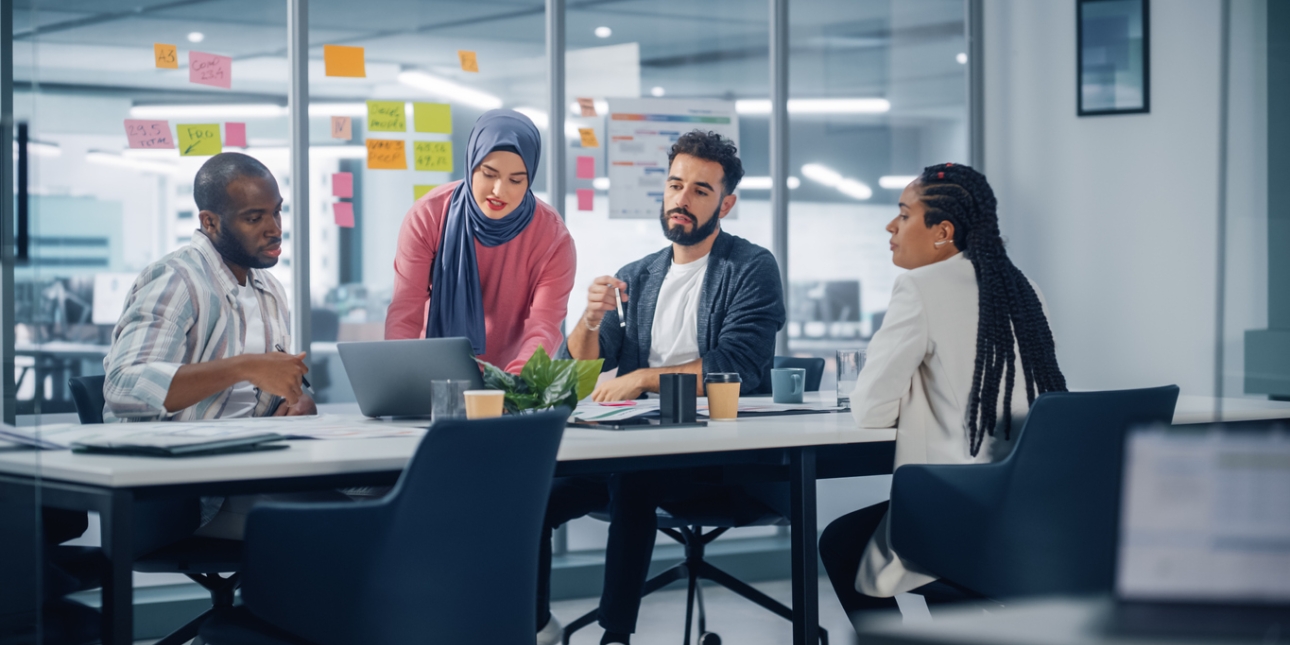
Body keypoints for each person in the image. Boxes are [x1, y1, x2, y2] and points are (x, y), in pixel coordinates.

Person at [538, 131, 786, 645]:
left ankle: (615, 635)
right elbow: (579, 373)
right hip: (637, 444)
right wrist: (588, 319)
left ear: (726, 202)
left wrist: (643, 377)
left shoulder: (750, 268)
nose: (682, 199)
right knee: (532, 496)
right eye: (676, 186)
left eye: (700, 190)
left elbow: (736, 367)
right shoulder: (640, 275)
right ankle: (537, 624)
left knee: (634, 479)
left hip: (721, 457)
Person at [818, 163, 1067, 619]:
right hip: (1027, 507)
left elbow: (871, 410)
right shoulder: (1022, 288)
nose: (890, 226)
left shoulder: (918, 287)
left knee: (839, 541)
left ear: (942, 231)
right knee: (852, 539)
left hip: (956, 510)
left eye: (904, 214)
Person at [102, 151, 317, 546]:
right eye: (255, 218)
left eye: (277, 213)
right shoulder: (176, 279)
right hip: (182, 491)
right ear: (210, 222)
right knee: (332, 523)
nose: (274, 228)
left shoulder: (269, 290)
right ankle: (270, 609)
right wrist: (243, 367)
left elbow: (266, 387)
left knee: (382, 496)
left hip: (252, 468)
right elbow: (124, 387)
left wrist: (298, 401)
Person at [385, 109, 576, 373]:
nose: (499, 191)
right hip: (431, 373)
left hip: (510, 378)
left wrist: (512, 387)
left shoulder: (552, 239)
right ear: (471, 165)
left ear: (529, 179)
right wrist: (402, 378)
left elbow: (544, 327)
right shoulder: (428, 216)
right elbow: (405, 315)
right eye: (489, 174)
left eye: (516, 180)